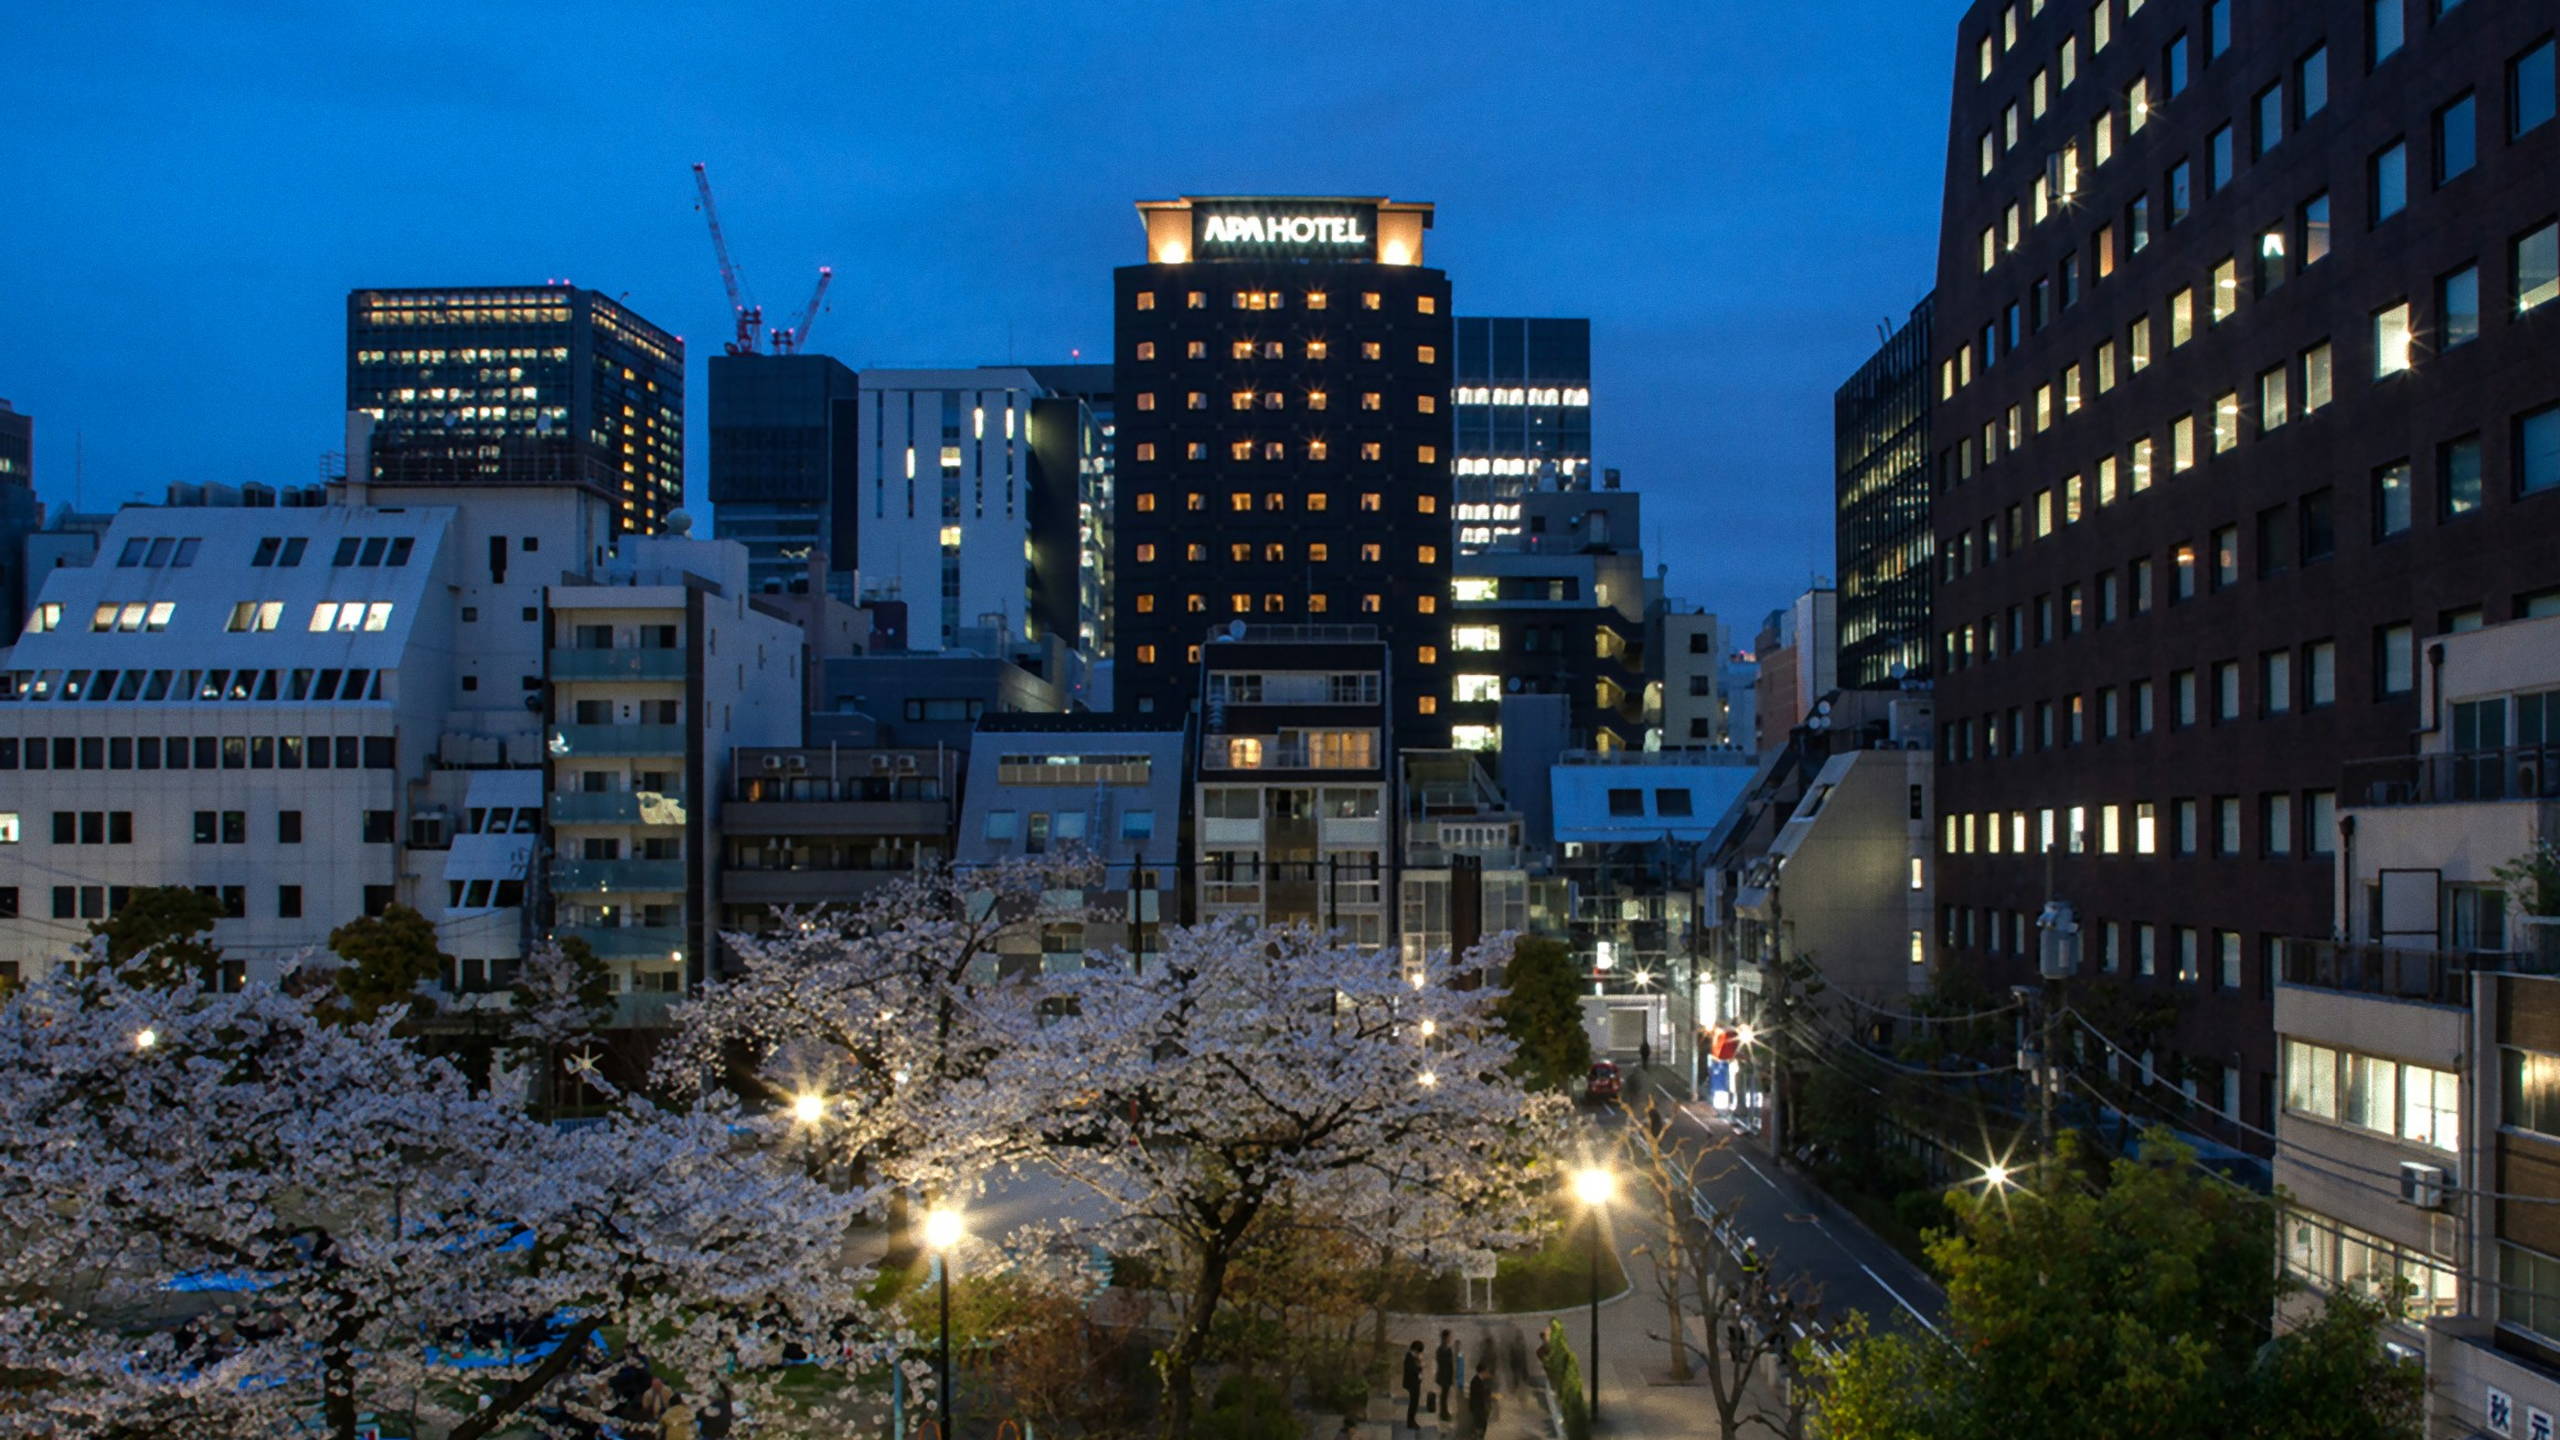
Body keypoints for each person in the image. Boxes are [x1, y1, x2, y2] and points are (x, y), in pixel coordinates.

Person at [1403, 1339, 1426, 1432]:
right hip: (1412, 1383)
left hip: (1415, 1383)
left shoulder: (1413, 1357)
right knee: (1413, 1403)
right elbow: (1411, 1370)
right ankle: (1410, 1421)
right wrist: (1419, 1367)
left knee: (1414, 1403)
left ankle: (1412, 1420)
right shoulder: (1409, 1357)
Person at [1434, 1329, 1456, 1420]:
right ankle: (1443, 1413)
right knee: (1444, 1395)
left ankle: (1444, 1412)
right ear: (1445, 1338)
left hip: (1447, 1375)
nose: (1449, 1339)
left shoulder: (1448, 1349)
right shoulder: (1441, 1349)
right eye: (1448, 1337)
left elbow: (1451, 1364)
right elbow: (1440, 1362)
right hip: (1443, 1375)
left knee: (1445, 1394)